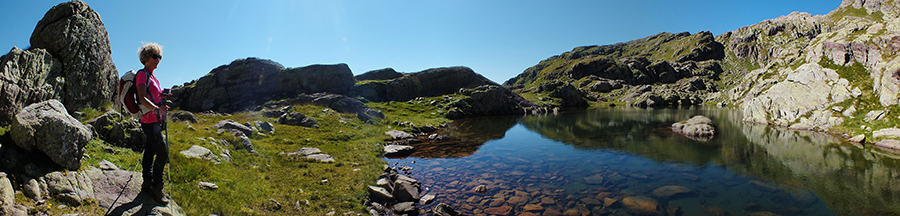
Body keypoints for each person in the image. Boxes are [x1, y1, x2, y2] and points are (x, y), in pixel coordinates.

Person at [136, 42, 169, 204]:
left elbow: (153, 96)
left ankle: (147, 183)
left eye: (160, 57)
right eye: (155, 56)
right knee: (162, 152)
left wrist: (162, 99)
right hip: (150, 121)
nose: (158, 60)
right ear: (146, 57)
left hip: (154, 119)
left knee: (150, 151)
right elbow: (142, 97)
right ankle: (157, 186)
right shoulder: (142, 74)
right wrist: (157, 110)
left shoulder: (152, 76)